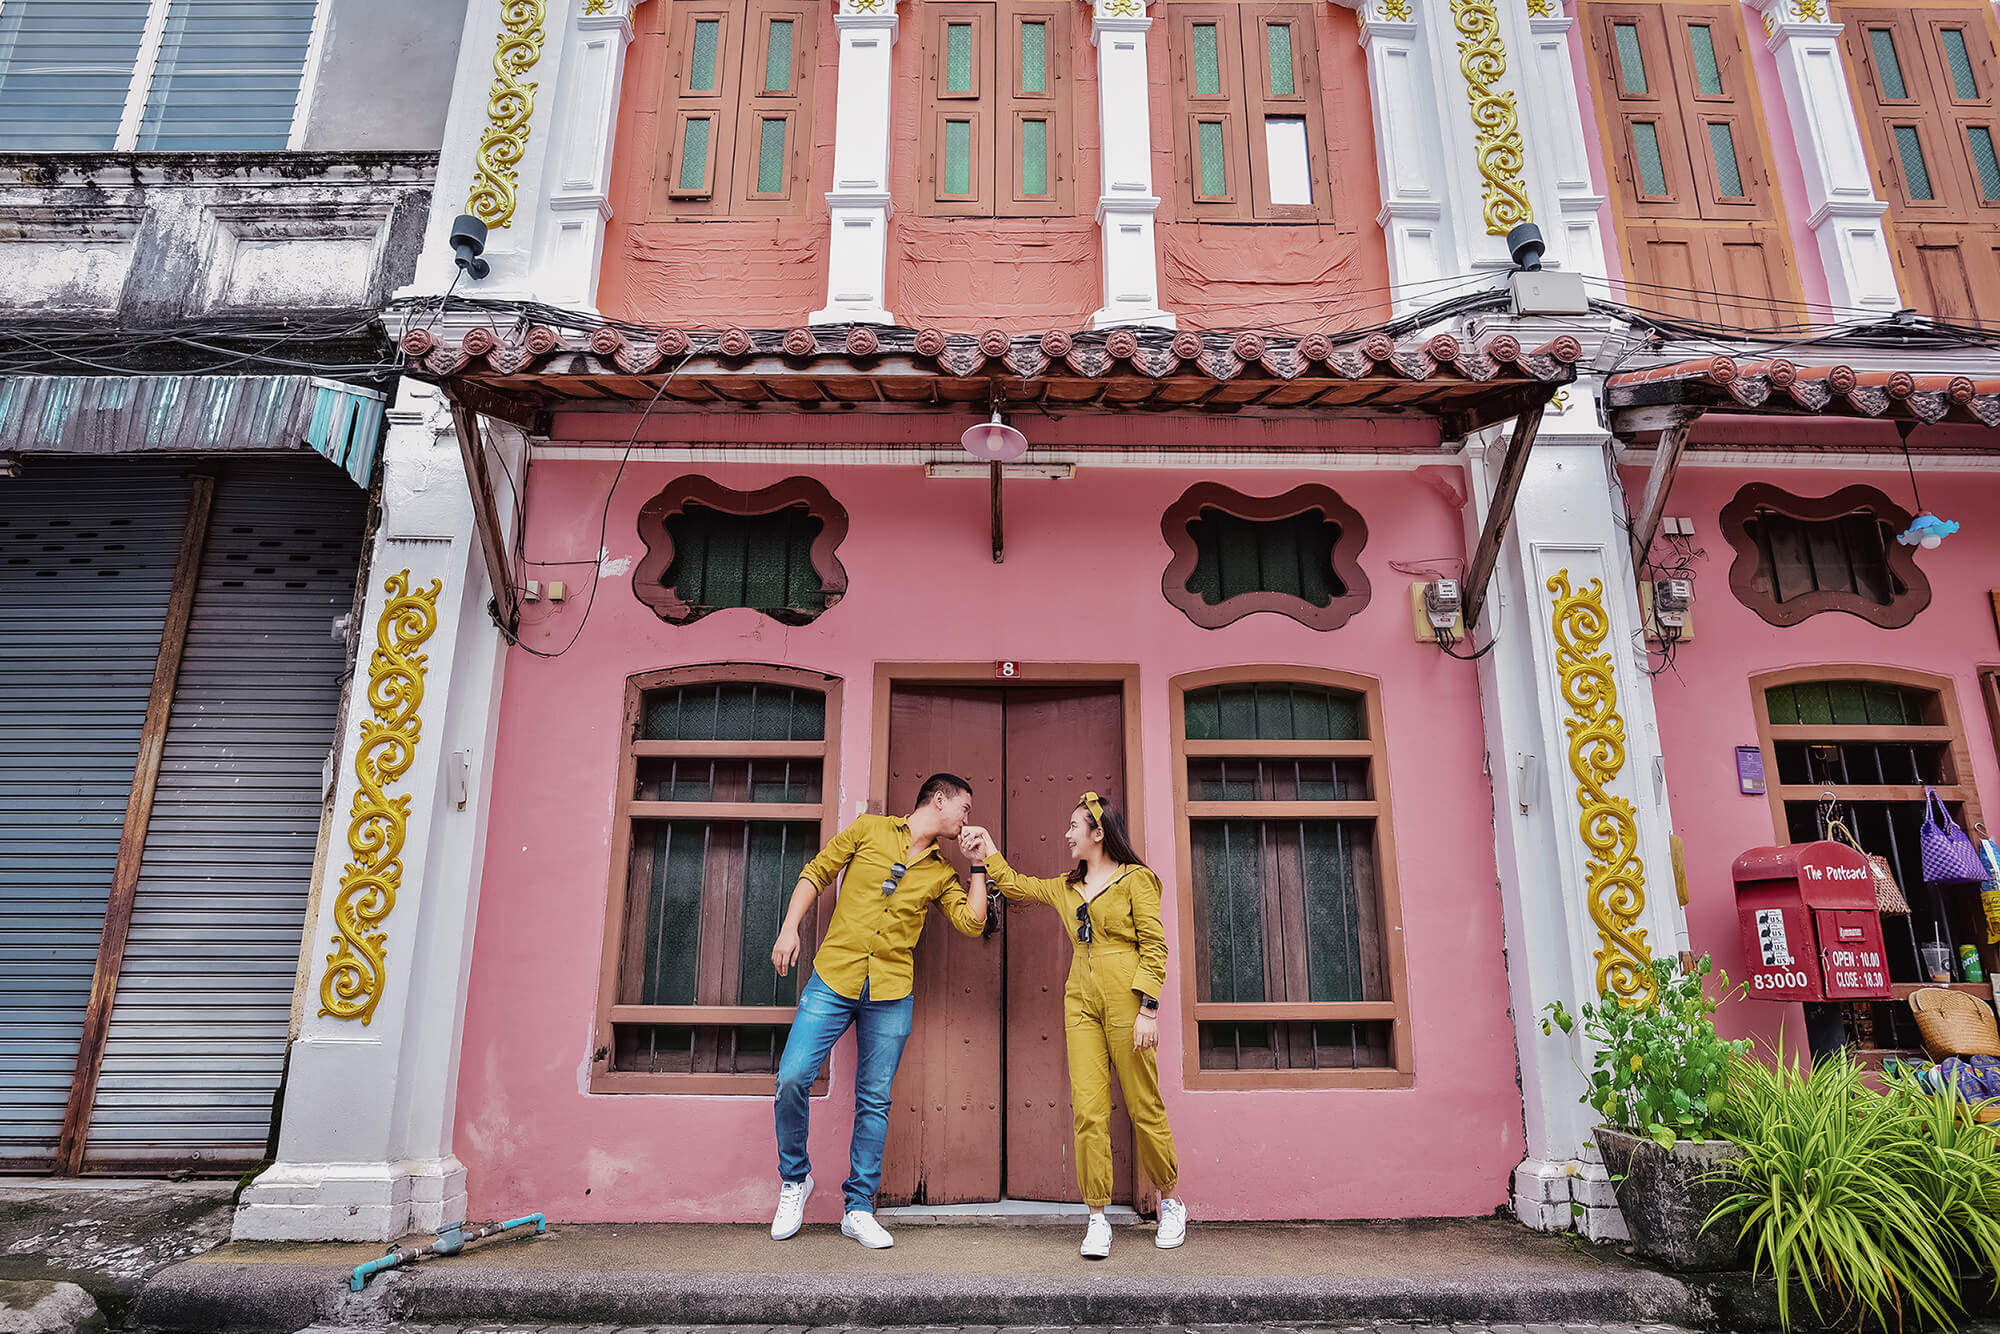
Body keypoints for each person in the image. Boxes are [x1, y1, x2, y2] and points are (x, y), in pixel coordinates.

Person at [958, 791, 1187, 1259]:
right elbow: (1020, 886)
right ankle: (1097, 1217)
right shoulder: (1066, 887)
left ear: (1098, 834)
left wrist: (1148, 1009)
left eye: (1074, 826)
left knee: (1144, 1101)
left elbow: (1155, 946)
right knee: (1088, 1110)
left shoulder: (1136, 881)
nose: (1066, 834)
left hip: (1127, 996)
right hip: (1079, 998)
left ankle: (1172, 1200)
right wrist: (987, 852)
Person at [767, 773, 990, 1249]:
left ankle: (858, 1208)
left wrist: (979, 866)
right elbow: (816, 871)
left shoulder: (940, 872)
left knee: (874, 1101)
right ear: (939, 799)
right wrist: (790, 929)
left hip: (890, 993)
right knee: (792, 1076)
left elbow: (972, 923)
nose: (968, 819)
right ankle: (794, 1179)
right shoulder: (868, 829)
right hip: (833, 977)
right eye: (965, 809)